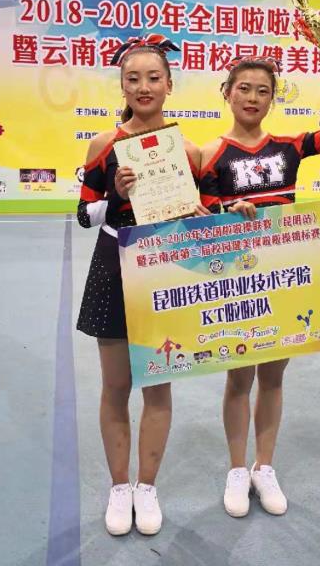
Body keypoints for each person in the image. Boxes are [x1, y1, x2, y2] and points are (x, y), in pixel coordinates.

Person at [199, 45, 320, 518]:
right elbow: (199, 215)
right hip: (236, 277)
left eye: (262, 91)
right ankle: (236, 469)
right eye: (244, 89)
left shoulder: (290, 147)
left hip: (285, 274)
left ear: (273, 98)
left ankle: (263, 467)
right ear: (227, 93)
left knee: (273, 376)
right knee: (238, 377)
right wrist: (227, 211)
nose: (252, 98)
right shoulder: (210, 154)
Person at [76, 35, 204, 537]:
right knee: (116, 386)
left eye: (154, 78)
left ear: (169, 85)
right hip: (114, 264)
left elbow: (200, 218)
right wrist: (114, 194)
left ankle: (147, 486)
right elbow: (83, 216)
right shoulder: (103, 145)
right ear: (122, 86)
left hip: (165, 268)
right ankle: (119, 486)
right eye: (133, 79)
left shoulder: (188, 152)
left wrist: (205, 216)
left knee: (157, 384)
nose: (144, 86)